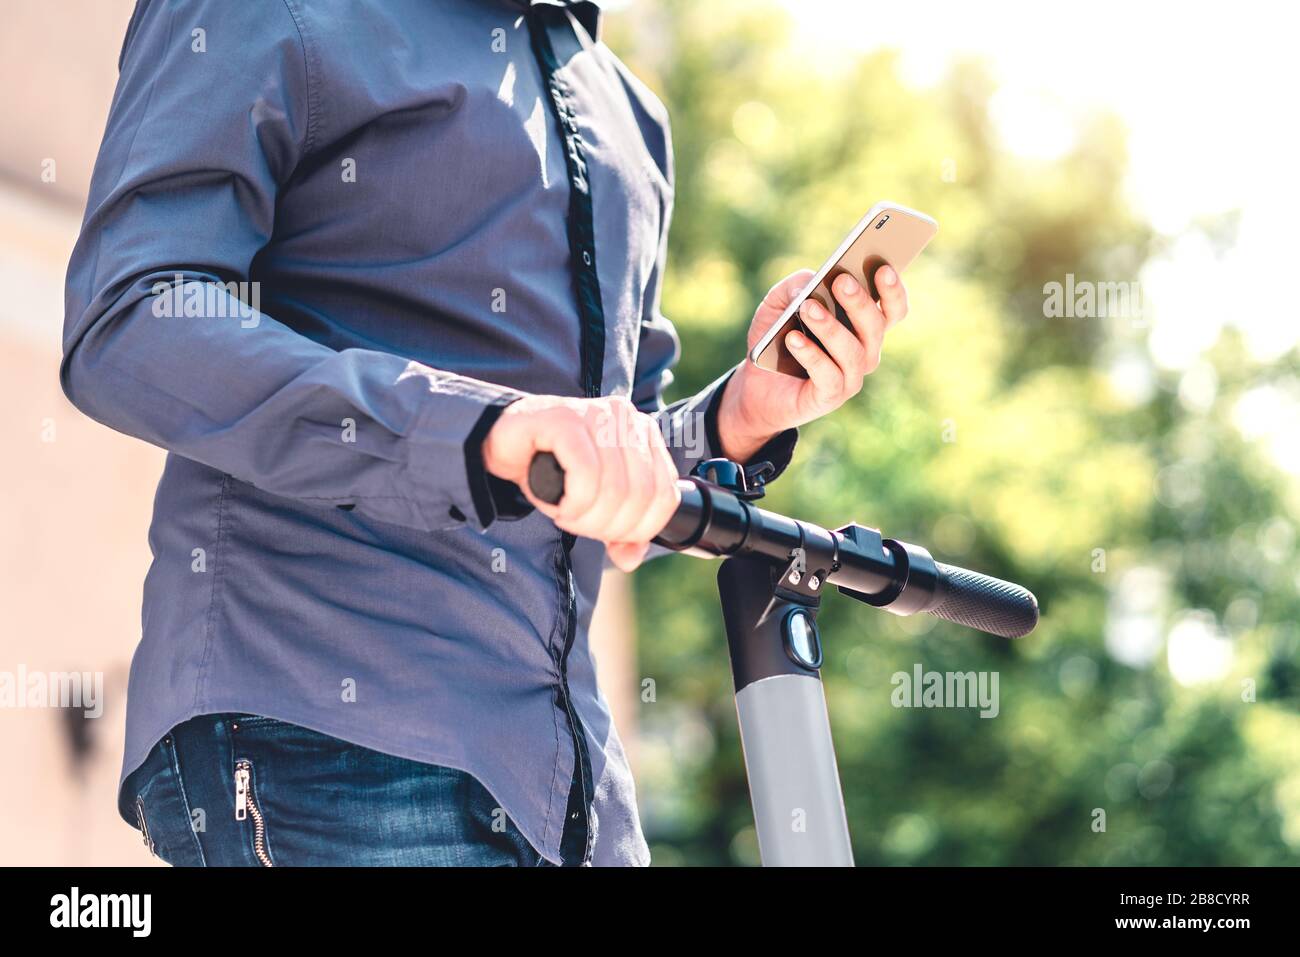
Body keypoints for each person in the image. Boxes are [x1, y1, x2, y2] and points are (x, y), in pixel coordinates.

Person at [61, 0, 908, 866]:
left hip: (573, 803)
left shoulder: (624, 112)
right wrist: (478, 430)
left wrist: (741, 416)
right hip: (323, 737)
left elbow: (604, 482)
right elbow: (133, 320)